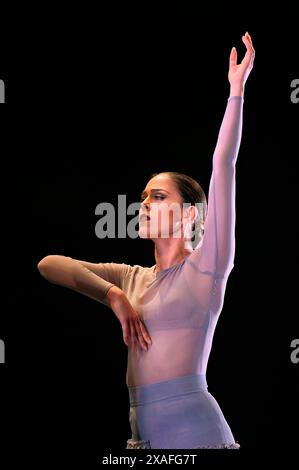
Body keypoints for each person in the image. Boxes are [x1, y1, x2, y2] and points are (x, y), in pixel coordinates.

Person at [37, 32, 255, 449]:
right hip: (143, 439)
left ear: (189, 213)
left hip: (196, 431)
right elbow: (49, 264)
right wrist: (114, 296)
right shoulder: (131, 278)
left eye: (158, 196)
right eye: (142, 198)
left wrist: (236, 91)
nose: (144, 204)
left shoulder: (207, 266)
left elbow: (223, 165)